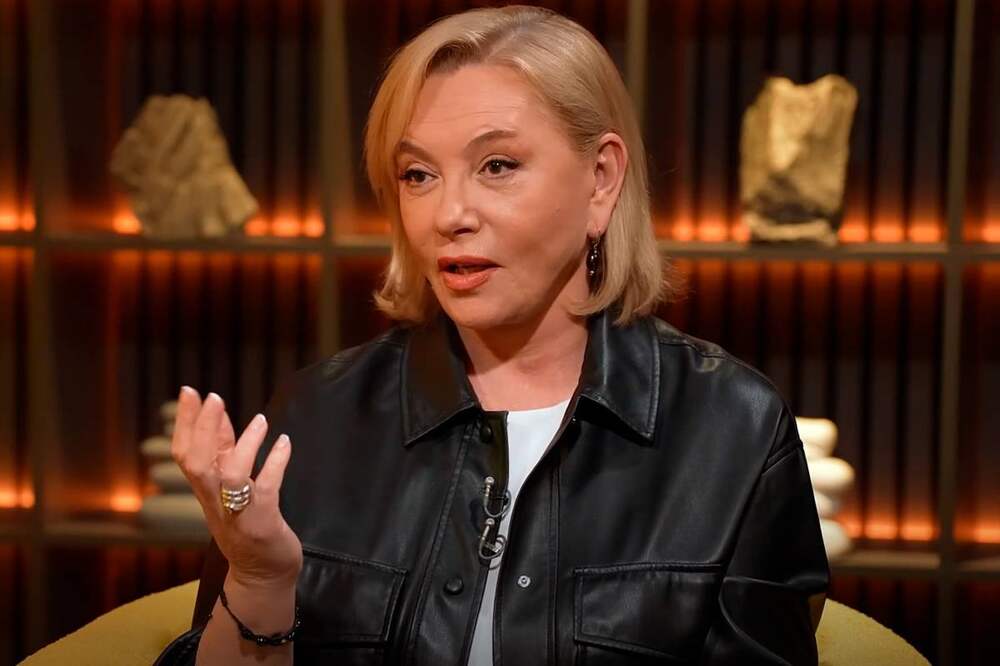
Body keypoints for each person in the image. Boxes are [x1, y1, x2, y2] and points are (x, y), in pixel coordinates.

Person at [156, 5, 829, 665]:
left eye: (497, 166)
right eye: (418, 175)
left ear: (601, 180)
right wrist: (260, 582)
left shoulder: (733, 429)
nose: (449, 214)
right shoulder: (317, 414)